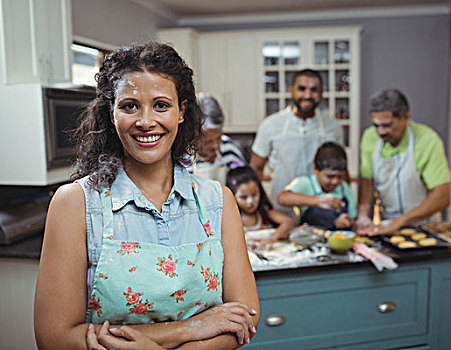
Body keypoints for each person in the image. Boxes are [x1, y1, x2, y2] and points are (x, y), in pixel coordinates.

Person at [34, 42, 259, 350]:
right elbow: (55, 338)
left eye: (161, 105)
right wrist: (188, 329)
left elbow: (244, 318)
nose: (145, 121)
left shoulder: (217, 200)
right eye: (129, 106)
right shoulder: (75, 203)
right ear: (111, 114)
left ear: (182, 111)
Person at [357, 89, 451, 235]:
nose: (380, 132)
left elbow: (442, 197)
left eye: (387, 125)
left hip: (425, 226)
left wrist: (399, 222)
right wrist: (363, 215)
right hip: (387, 226)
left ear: (406, 117)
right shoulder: (370, 138)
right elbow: (367, 183)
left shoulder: (427, 140)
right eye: (376, 126)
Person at [250, 69, 343, 215]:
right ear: (291, 90)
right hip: (281, 211)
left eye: (313, 90)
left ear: (321, 93)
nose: (307, 95)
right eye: (301, 89)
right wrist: (263, 205)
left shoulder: (333, 127)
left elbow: (341, 169)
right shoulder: (270, 125)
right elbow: (255, 168)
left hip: (322, 213)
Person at [277, 142, 357, 230]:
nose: (335, 181)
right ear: (315, 169)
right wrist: (318, 200)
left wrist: (345, 221)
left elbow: (352, 218)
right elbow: (282, 198)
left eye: (340, 176)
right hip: (309, 238)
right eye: (330, 176)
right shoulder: (306, 183)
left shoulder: (344, 188)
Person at [226, 166, 296, 249]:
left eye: (254, 195)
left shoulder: (264, 211)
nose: (250, 201)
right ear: (232, 197)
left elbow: (289, 222)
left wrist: (273, 237)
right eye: (244, 197)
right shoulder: (230, 220)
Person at [189, 93, 246, 183]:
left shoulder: (228, 147)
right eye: (208, 141)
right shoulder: (182, 158)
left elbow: (244, 182)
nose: (215, 146)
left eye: (218, 138)